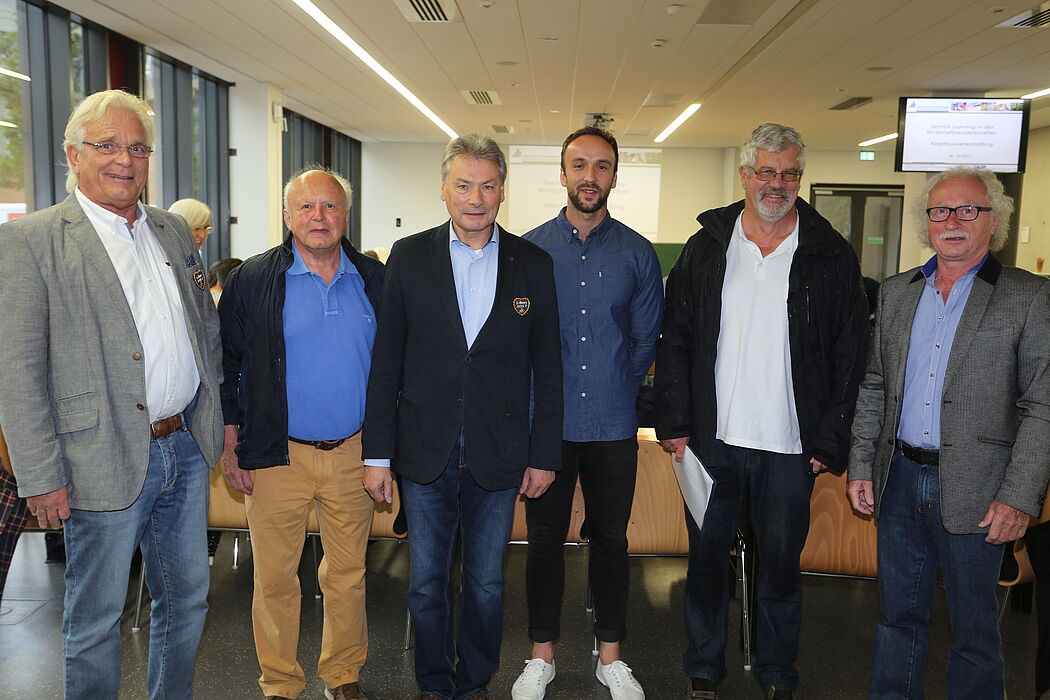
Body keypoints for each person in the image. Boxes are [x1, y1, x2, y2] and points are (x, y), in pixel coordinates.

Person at [0, 89, 223, 700]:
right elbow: (17, 371)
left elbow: (204, 333)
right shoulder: (32, 241)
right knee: (96, 618)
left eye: (137, 146)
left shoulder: (173, 230)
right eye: (106, 145)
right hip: (95, 458)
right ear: (73, 155)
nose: (124, 159)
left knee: (187, 604)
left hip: (181, 446)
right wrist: (40, 475)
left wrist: (214, 423)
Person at [655, 123, 868, 700]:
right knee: (705, 566)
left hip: (789, 447)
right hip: (712, 442)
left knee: (779, 570)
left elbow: (852, 354)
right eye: (766, 172)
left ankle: (778, 674)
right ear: (745, 176)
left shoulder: (829, 254)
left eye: (790, 173)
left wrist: (831, 440)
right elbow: (675, 336)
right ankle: (703, 668)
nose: (777, 184)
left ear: (801, 178)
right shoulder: (708, 246)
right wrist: (672, 425)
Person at [361, 133, 562, 700]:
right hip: (424, 449)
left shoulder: (534, 264)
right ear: (444, 189)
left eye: (488, 186)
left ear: (503, 192)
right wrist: (376, 455)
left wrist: (544, 455)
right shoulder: (409, 256)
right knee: (425, 583)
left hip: (499, 452)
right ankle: (433, 684)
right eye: (464, 185)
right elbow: (386, 366)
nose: (476, 198)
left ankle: (474, 684)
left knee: (487, 584)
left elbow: (548, 371)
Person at [848, 166, 1050, 700]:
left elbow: (1044, 406)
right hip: (899, 481)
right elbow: (875, 386)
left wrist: (1018, 497)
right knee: (897, 620)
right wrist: (863, 465)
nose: (953, 221)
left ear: (994, 223)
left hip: (980, 490)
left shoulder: (1028, 297)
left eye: (969, 210)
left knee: (975, 633)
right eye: (941, 211)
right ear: (927, 222)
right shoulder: (897, 293)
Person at [218, 167, 383, 700]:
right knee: (273, 580)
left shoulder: (375, 280)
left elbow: (396, 368)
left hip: (354, 454)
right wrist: (232, 441)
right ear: (287, 215)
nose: (319, 217)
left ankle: (342, 674)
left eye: (330, 207)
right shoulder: (254, 279)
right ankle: (281, 683)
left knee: (348, 574)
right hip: (275, 453)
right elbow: (229, 365)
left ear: (346, 217)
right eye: (307, 207)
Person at [513, 126, 663, 700]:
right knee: (544, 539)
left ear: (615, 176)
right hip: (546, 426)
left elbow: (646, 340)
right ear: (562, 174)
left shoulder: (637, 253)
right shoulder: (528, 251)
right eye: (579, 165)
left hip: (611, 425)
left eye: (601, 167)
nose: (589, 177)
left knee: (611, 540)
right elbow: (518, 340)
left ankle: (611, 658)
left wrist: (610, 388)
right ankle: (541, 657)